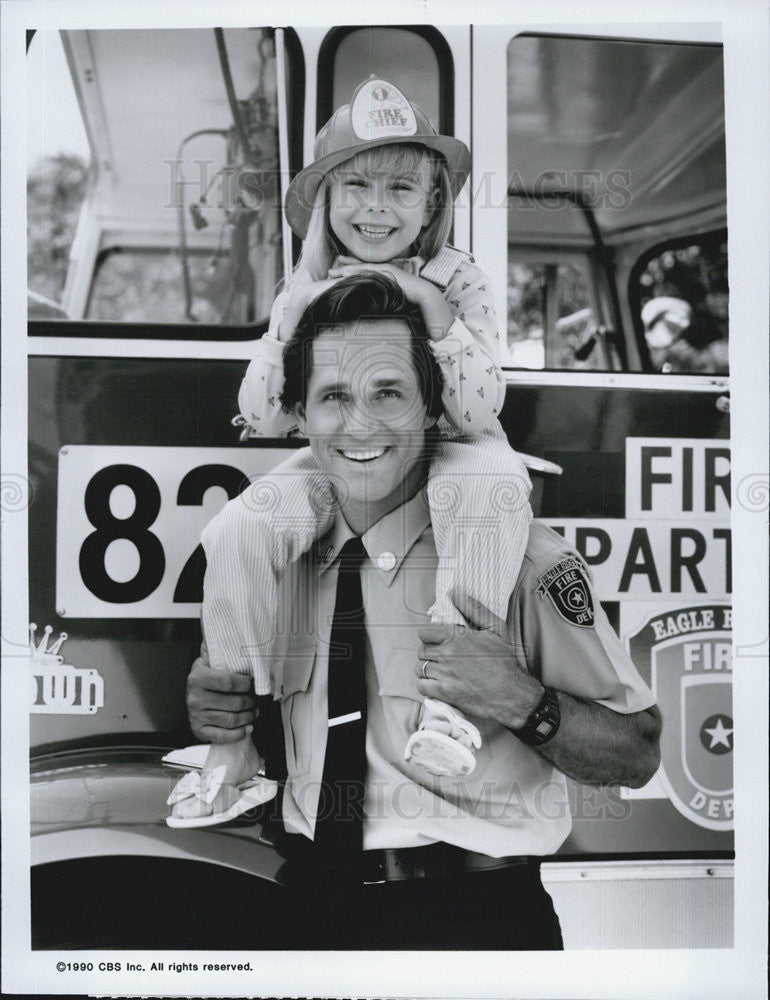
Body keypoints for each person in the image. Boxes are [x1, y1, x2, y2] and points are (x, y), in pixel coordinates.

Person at [185, 273, 662, 949]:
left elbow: (636, 753)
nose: (360, 422)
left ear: (433, 409)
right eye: (333, 397)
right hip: (310, 907)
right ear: (299, 415)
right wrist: (224, 710)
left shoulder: (518, 560)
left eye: (389, 393)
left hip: (475, 918)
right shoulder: (276, 559)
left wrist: (524, 702)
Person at [194, 74, 534, 796]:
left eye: (401, 190)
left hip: (451, 452)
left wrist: (432, 314)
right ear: (325, 201)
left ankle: (447, 705)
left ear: (432, 202)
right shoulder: (305, 285)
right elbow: (263, 415)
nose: (377, 210)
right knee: (236, 531)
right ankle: (233, 744)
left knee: (498, 487)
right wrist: (292, 317)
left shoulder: (456, 276)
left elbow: (479, 411)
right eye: (356, 188)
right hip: (348, 456)